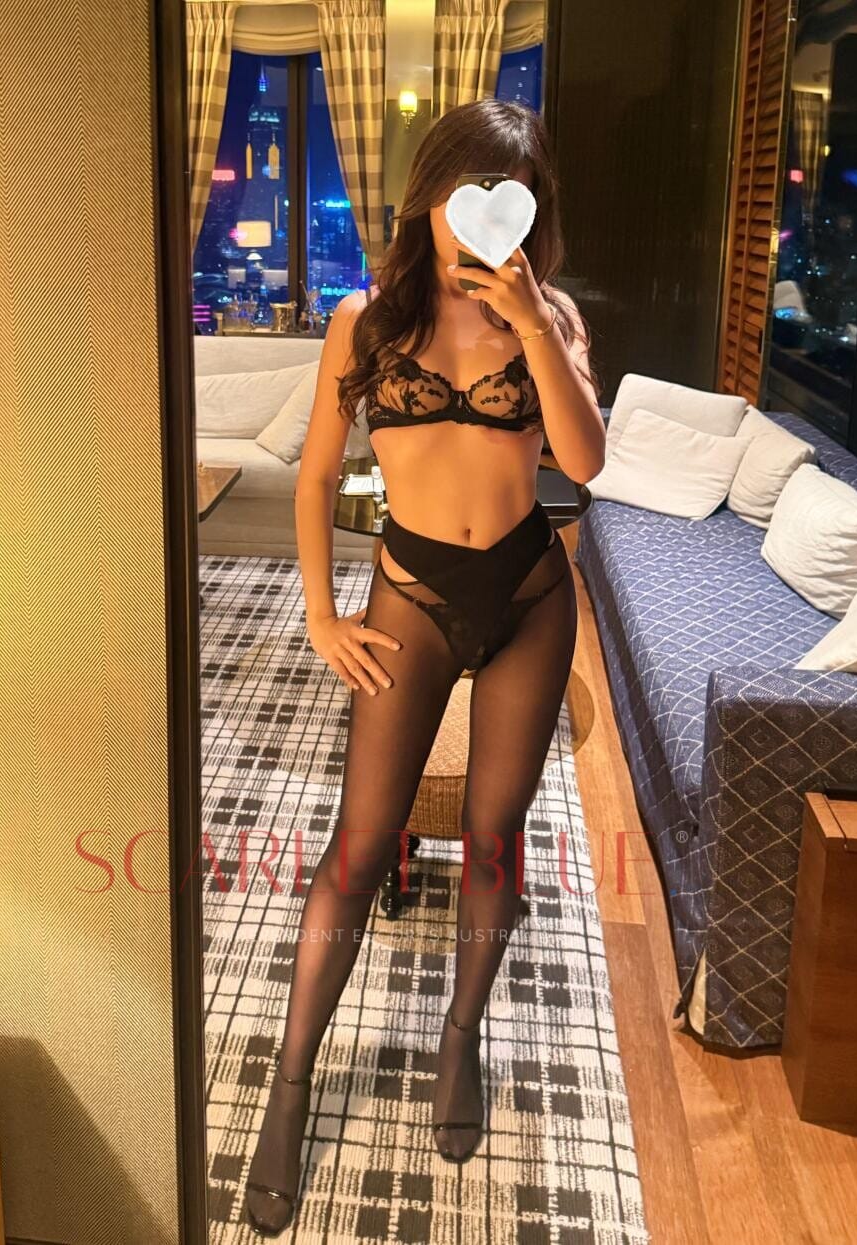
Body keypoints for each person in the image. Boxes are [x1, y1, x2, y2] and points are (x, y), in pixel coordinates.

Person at [243, 97, 606, 1236]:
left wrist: (533, 326)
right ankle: (291, 1084)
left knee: (494, 835)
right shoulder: (366, 320)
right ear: (429, 201)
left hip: (529, 594)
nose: (480, 224)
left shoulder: (550, 316)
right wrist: (319, 615)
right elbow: (316, 476)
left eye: (509, 204)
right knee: (359, 847)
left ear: (531, 216)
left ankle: (461, 1038)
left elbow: (585, 462)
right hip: (410, 595)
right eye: (463, 198)